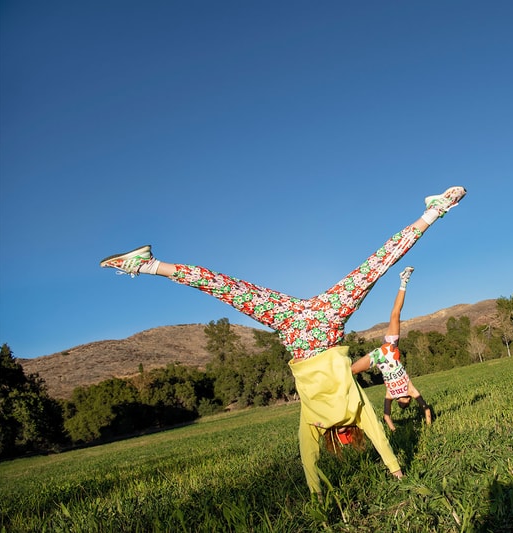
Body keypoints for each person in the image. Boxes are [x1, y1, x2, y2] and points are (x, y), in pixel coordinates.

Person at [99, 186, 466, 493]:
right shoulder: (316, 420)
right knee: (226, 288)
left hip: (319, 321)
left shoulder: (347, 412)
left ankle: (436, 211)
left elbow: (374, 440)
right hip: (301, 326)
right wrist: (328, 490)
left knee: (374, 267)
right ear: (335, 437)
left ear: (346, 436)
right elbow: (310, 458)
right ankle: (147, 265)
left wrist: (394, 471)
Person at [351, 266, 433, 431]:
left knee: (350, 371)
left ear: (400, 402)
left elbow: (386, 416)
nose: (407, 401)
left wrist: (394, 429)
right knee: (395, 314)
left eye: (404, 403)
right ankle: (404, 281)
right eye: (408, 402)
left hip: (378, 358)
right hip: (390, 349)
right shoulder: (410, 389)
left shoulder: (391, 395)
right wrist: (429, 426)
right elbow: (426, 409)